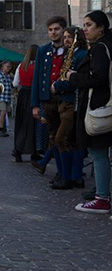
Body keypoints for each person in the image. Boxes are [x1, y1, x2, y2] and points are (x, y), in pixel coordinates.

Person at [69, 11, 112, 213]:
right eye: (84, 25)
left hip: (101, 107)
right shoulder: (106, 45)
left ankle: (102, 198)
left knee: (98, 152)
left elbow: (98, 78)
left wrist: (74, 77)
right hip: (104, 105)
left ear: (101, 27)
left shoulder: (101, 48)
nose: (84, 29)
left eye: (89, 25)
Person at [49, 27, 88, 189]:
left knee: (61, 139)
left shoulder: (81, 55)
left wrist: (58, 85)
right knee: (70, 141)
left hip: (72, 102)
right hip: (63, 102)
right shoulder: (69, 54)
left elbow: (76, 81)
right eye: (64, 37)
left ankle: (67, 177)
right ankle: (73, 176)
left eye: (69, 37)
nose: (65, 40)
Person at [31, 16, 67, 182]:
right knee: (52, 137)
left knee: (63, 138)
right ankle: (60, 172)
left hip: (65, 100)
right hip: (48, 100)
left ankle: (66, 173)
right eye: (51, 30)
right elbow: (37, 79)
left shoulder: (70, 50)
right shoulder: (43, 50)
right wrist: (35, 105)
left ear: (63, 30)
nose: (53, 33)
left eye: (57, 29)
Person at [12, 45, 39, 162]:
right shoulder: (38, 66)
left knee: (21, 123)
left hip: (23, 95)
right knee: (33, 124)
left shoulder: (21, 66)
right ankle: (34, 151)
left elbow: (15, 83)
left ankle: (18, 150)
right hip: (34, 94)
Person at [0, 61, 14, 137]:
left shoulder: (9, 76)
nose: (8, 68)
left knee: (4, 113)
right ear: (3, 66)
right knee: (2, 112)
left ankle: (3, 128)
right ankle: (1, 129)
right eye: (7, 66)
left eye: (10, 67)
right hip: (1, 97)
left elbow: (11, 85)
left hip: (7, 97)